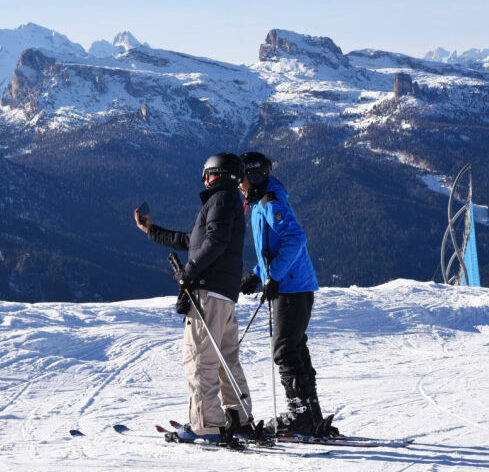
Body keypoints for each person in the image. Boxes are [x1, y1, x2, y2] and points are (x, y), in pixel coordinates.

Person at [134, 152, 256, 444]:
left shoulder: (222, 200)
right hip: (223, 294)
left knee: (200, 359)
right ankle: (237, 417)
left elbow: (213, 242)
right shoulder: (227, 202)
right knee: (226, 358)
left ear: (214, 174)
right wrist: (152, 231)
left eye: (206, 173)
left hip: (208, 292)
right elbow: (193, 241)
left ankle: (207, 425)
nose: (204, 178)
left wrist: (188, 274)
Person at [237, 150, 338, 437]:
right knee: (295, 348)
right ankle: (310, 413)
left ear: (254, 176)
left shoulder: (271, 201)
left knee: (284, 351)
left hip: (292, 287)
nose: (239, 186)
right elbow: (274, 248)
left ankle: (301, 417)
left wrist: (275, 277)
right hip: (292, 284)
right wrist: (257, 274)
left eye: (241, 179)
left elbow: (296, 238)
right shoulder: (259, 201)